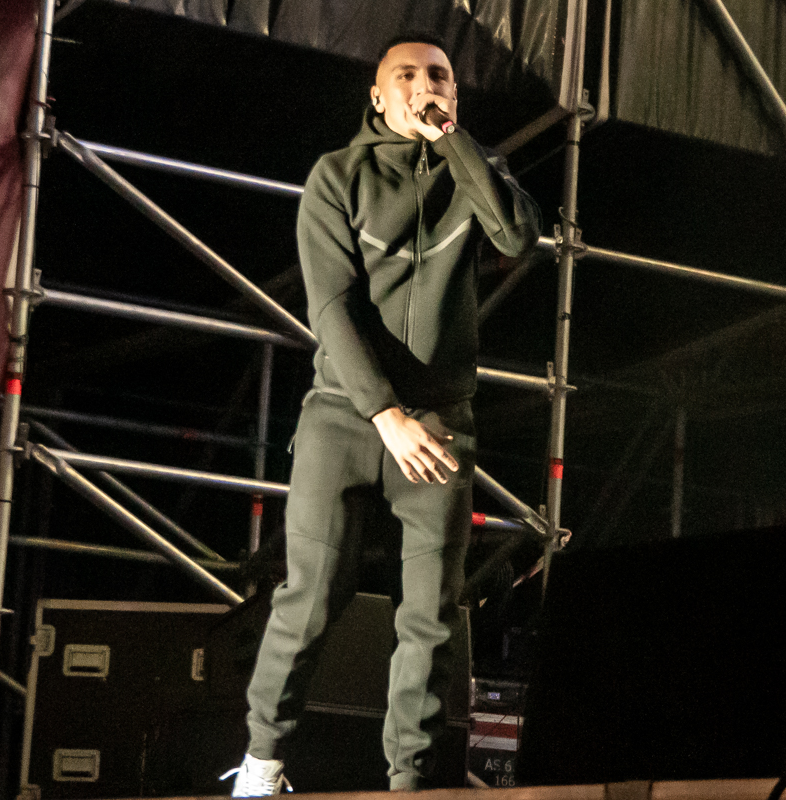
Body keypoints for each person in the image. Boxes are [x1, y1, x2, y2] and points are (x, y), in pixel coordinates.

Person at [222, 32, 540, 795]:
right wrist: (384, 413)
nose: (424, 86)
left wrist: (455, 141)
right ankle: (262, 764)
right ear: (377, 94)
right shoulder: (337, 176)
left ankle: (411, 781)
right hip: (344, 415)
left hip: (441, 422)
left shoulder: (474, 167)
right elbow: (330, 306)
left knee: (431, 614)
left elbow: (518, 234)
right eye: (407, 76)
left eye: (439, 76)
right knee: (310, 596)